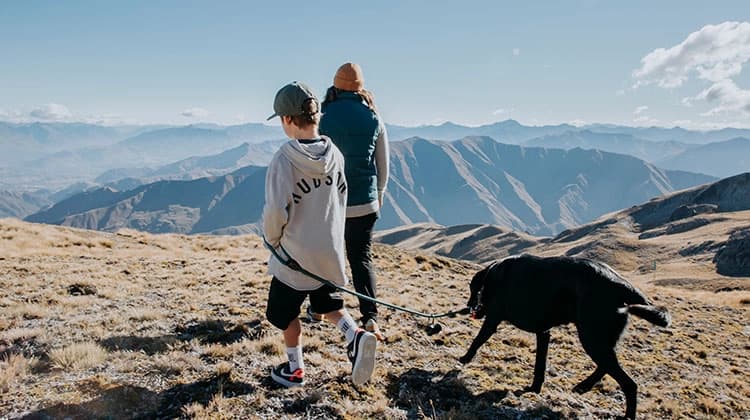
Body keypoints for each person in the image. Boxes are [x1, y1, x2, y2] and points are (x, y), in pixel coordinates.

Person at [263, 81, 377, 388]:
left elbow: (275, 212)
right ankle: (355, 335)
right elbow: (339, 202)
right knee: (330, 305)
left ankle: (295, 370)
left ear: (287, 120)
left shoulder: (284, 159)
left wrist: (272, 241)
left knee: (285, 314)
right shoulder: (335, 155)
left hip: (294, 258)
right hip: (329, 252)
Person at [314, 62, 390, 339]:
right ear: (361, 88)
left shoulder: (323, 116)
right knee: (361, 259)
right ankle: (370, 317)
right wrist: (379, 194)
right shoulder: (373, 117)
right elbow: (383, 163)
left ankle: (320, 309)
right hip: (365, 202)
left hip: (330, 201)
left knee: (325, 255)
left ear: (334, 86)